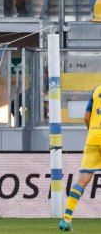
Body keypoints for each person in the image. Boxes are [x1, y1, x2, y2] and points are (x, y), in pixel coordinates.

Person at [59, 84, 101, 232]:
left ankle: (66, 219)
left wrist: (92, 131)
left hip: (92, 137)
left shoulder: (97, 90)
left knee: (82, 180)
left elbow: (86, 116)